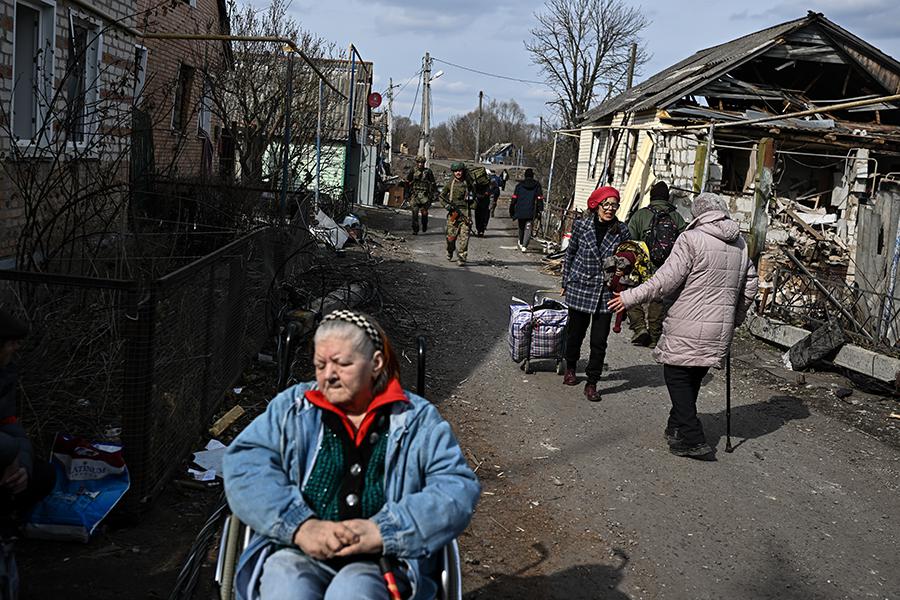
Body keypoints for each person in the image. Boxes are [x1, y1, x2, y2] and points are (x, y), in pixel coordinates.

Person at [223, 310, 480, 600]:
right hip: (296, 551)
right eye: (320, 365)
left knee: (354, 590)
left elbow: (456, 487)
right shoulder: (293, 409)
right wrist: (299, 525)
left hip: (381, 562)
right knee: (286, 584)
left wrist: (384, 531)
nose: (328, 376)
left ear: (376, 364)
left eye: (342, 364)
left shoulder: (416, 420)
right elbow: (244, 464)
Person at [608, 193, 757, 460]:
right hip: (718, 327)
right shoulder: (741, 243)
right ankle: (675, 426)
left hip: (687, 322)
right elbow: (750, 288)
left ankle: (692, 437)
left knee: (677, 375)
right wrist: (735, 319)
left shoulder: (691, 239)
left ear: (697, 214)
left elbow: (665, 281)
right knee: (694, 376)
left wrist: (629, 296)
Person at [560, 186, 631, 402]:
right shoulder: (582, 226)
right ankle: (570, 367)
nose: (610, 209)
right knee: (575, 333)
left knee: (599, 341)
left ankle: (592, 382)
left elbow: (629, 257)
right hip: (580, 286)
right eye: (606, 205)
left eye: (614, 205)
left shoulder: (622, 231)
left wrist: (623, 268)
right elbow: (570, 254)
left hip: (605, 291)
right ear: (597, 205)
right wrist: (566, 281)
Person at [0, 309, 55, 533]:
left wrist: (22, 467)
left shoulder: (5, 375)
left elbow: (11, 426)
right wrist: (9, 454)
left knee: (42, 475)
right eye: (11, 343)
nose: (16, 348)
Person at [625, 181, 687, 347]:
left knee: (632, 292)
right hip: (667, 265)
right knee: (658, 297)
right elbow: (685, 243)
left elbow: (630, 240)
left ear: (651, 197)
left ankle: (639, 328)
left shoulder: (640, 215)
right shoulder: (677, 217)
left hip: (642, 264)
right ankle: (654, 336)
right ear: (667, 198)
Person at [438, 162, 475, 266]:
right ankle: (450, 251)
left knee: (464, 238)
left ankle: (462, 257)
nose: (458, 173)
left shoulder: (468, 183)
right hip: (453, 214)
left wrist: (472, 202)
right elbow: (442, 196)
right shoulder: (450, 183)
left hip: (465, 214)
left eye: (460, 171)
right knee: (451, 238)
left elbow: (475, 197)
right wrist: (446, 206)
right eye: (456, 171)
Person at [509, 168, 544, 253]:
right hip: (531, 210)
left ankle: (521, 242)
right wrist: (540, 209)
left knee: (521, 226)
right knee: (528, 227)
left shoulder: (519, 186)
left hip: (520, 210)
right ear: (532, 176)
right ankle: (525, 245)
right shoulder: (537, 185)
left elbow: (514, 198)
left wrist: (512, 209)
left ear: (525, 176)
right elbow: (540, 198)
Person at [404, 156, 436, 235]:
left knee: (424, 213)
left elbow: (433, 183)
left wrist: (434, 193)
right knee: (415, 213)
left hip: (425, 196)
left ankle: (424, 224)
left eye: (422, 163)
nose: (420, 164)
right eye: (419, 163)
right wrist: (406, 193)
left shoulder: (428, 172)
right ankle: (415, 229)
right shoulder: (413, 171)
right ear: (416, 163)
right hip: (415, 195)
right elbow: (407, 182)